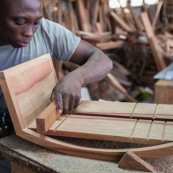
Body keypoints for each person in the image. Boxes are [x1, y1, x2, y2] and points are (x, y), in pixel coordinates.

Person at [0, 0, 112, 172]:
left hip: (38, 135)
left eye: (36, 22)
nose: (30, 32)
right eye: (19, 22)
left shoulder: (46, 30)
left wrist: (77, 77)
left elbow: (102, 60)